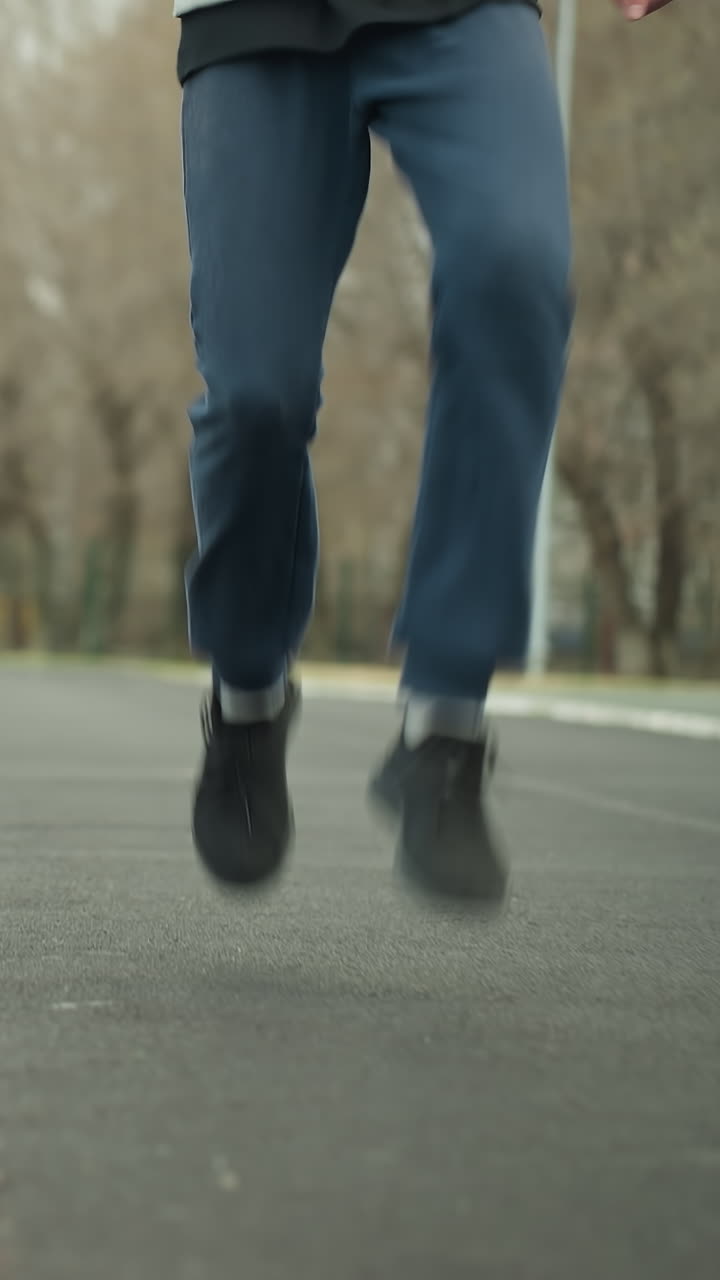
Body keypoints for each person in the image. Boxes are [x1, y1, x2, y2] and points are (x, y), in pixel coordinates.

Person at [175, 0, 674, 906]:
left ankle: (446, 728)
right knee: (255, 397)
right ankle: (246, 699)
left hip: (466, 11)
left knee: (515, 273)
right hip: (252, 16)